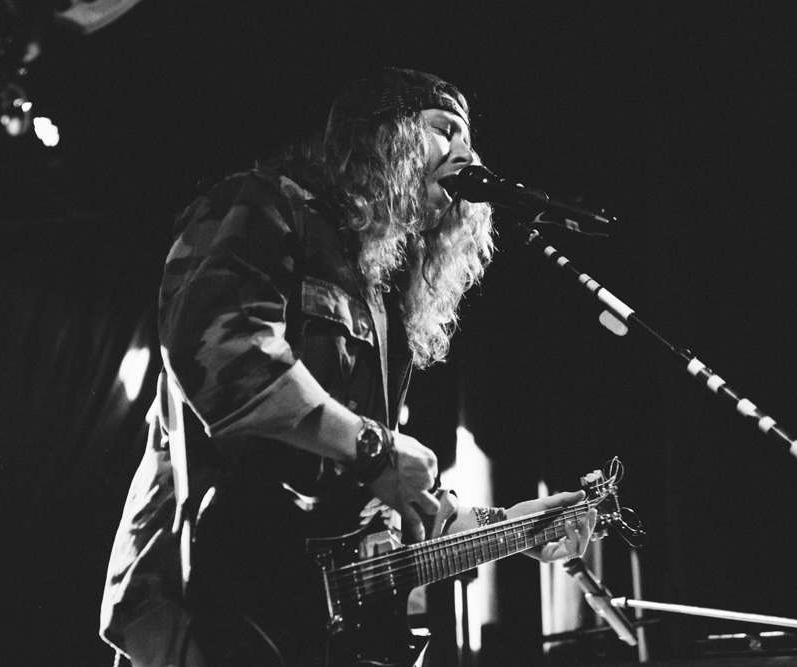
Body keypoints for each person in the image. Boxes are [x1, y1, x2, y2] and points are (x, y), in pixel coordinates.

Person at [100, 67, 597, 667]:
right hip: (211, 595)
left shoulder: (382, 295)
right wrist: (376, 450)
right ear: (381, 137)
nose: (465, 152)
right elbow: (226, 359)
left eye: (468, 137)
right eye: (444, 129)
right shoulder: (263, 204)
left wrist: (512, 526)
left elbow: (382, 498)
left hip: (310, 626)